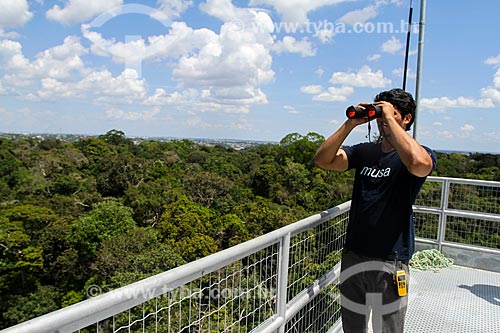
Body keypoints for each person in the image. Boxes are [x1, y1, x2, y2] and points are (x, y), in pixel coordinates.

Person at [313, 88, 437, 332]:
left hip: (390, 259)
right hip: (354, 254)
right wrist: (350, 124)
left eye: (389, 114)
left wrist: (390, 119)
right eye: (379, 115)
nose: (381, 121)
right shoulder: (364, 152)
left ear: (406, 118)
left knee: (387, 327)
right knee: (353, 325)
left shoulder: (419, 154)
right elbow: (323, 160)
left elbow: (419, 165)